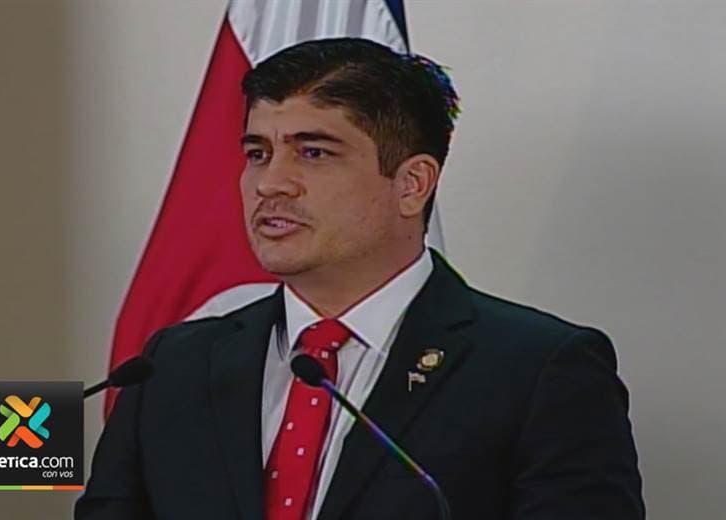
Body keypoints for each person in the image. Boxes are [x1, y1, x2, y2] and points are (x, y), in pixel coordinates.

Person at [76, 38, 644, 519]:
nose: (271, 183)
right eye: (258, 153)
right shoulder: (172, 365)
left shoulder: (540, 370)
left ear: (412, 184)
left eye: (313, 153)